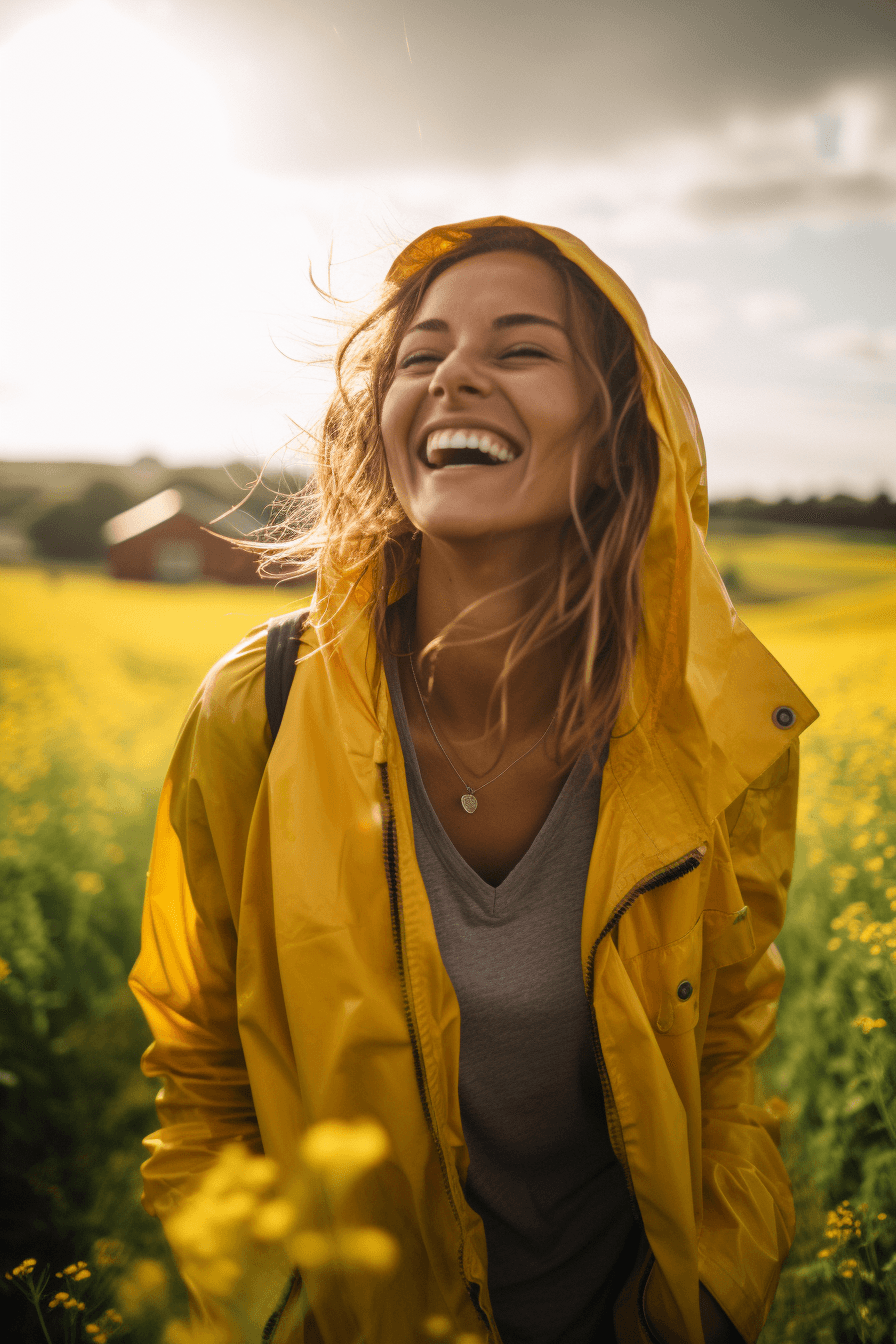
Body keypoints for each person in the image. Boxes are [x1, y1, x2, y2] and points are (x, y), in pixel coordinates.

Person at [129, 218, 818, 1344]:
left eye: (519, 348)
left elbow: (725, 1064)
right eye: (420, 354)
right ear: (383, 426)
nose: (453, 372)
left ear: (615, 430)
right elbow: (200, 1079)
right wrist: (277, 1318)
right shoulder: (258, 707)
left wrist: (704, 1304)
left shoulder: (714, 732)